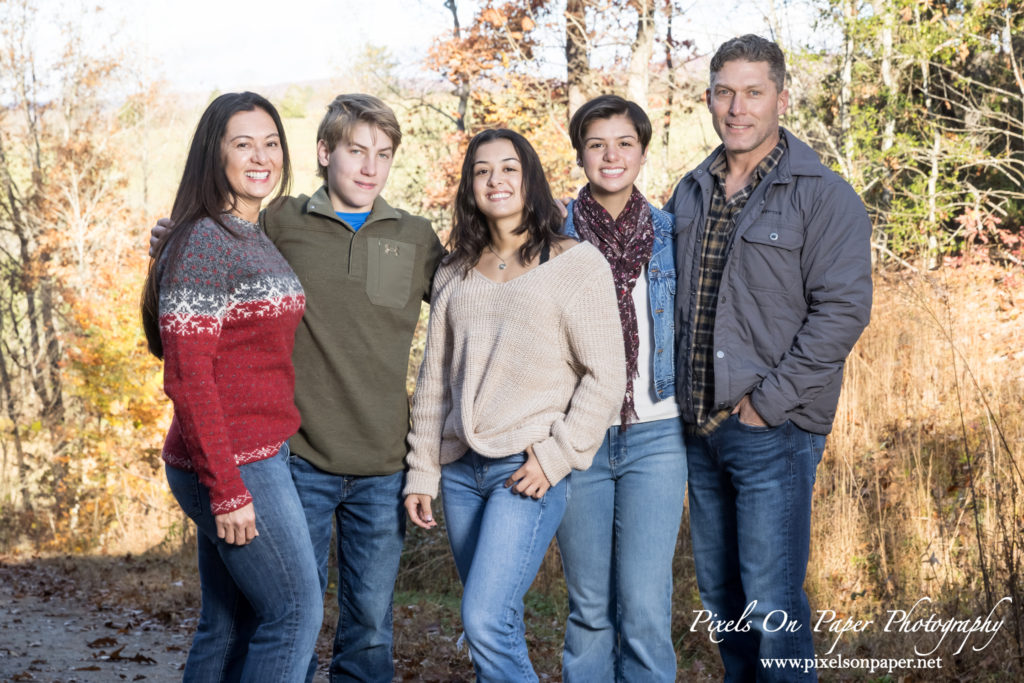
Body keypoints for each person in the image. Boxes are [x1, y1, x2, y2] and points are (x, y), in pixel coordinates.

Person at [151, 94, 445, 683]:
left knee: (358, 631)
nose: (368, 166)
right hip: (292, 462)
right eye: (355, 151)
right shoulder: (278, 221)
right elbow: (192, 351)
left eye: (382, 154)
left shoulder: (415, 237)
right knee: (289, 620)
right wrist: (172, 241)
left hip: (381, 463)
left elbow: (476, 305)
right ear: (323, 153)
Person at [664, 35, 873, 681]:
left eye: (753, 92)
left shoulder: (823, 195)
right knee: (723, 600)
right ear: (708, 98)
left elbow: (843, 312)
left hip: (772, 431)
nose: (737, 107)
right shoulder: (691, 190)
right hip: (698, 430)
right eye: (725, 92)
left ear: (781, 98)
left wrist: (767, 405)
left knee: (771, 602)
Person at [403, 129, 626, 682]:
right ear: (470, 186)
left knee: (481, 619)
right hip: (459, 473)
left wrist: (558, 457)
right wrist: (422, 472)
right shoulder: (454, 272)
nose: (495, 180)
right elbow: (434, 382)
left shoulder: (576, 264)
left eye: (508, 168)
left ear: (530, 179)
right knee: (495, 623)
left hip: (523, 469)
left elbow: (606, 373)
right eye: (482, 171)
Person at [141, 91, 322, 681]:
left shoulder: (245, 232)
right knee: (295, 612)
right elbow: (189, 379)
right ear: (213, 154)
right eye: (243, 144)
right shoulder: (204, 243)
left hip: (250, 452)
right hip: (234, 463)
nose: (261, 156)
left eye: (271, 142)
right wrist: (227, 489)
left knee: (229, 624)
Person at [555, 95, 686, 682]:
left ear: (642, 151)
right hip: (575, 437)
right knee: (588, 609)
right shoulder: (551, 235)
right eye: (596, 143)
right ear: (580, 152)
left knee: (644, 606)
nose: (611, 156)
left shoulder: (671, 234)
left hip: (656, 435)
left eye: (624, 143)